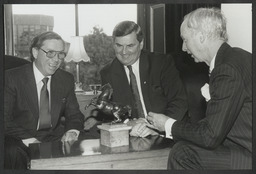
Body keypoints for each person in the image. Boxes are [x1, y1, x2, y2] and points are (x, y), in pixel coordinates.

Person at [147, 7, 252, 169]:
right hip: (243, 145)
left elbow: (210, 136)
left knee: (183, 154)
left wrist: (167, 124)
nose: (183, 47)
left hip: (248, 154)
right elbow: (219, 123)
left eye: (185, 39)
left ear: (201, 37)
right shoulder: (239, 56)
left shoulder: (226, 69)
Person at [4, 31, 84, 169]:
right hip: (21, 139)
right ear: (35, 53)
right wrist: (32, 141)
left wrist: (72, 131)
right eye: (50, 53)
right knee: (11, 151)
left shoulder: (66, 79)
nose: (56, 59)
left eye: (60, 54)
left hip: (54, 139)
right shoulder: (12, 78)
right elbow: (4, 119)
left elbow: (75, 115)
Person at [100, 21, 188, 137]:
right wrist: (128, 124)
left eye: (130, 46)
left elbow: (179, 102)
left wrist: (158, 128)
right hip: (133, 136)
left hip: (168, 135)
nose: (124, 52)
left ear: (141, 44)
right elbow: (109, 112)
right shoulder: (108, 73)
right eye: (119, 45)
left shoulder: (162, 63)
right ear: (113, 44)